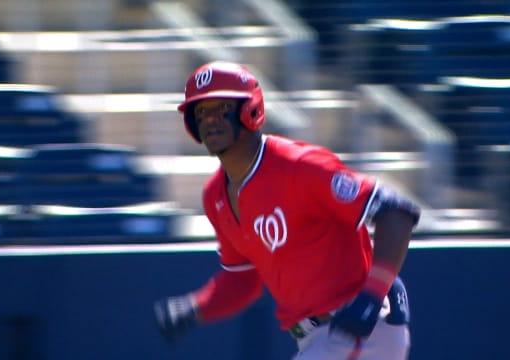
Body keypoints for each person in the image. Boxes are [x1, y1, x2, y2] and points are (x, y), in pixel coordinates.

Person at [154, 61, 420, 359]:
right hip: (314, 339)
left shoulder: (298, 166)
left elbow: (396, 212)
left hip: (355, 332)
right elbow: (244, 280)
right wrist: (195, 307)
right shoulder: (215, 195)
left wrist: (372, 294)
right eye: (201, 111)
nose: (210, 119)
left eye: (222, 107)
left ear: (250, 109)